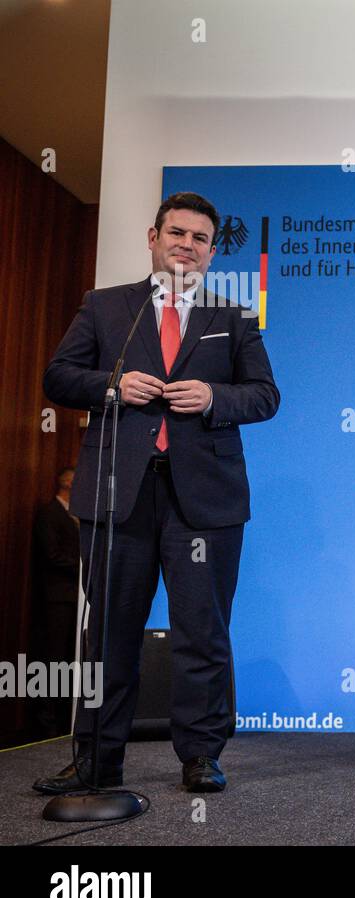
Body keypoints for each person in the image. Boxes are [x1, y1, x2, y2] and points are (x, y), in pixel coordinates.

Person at [35, 191, 279, 795]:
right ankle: (95, 759)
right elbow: (58, 377)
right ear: (153, 237)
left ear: (213, 252)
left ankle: (200, 756)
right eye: (176, 233)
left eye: (199, 238)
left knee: (202, 629)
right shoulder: (106, 306)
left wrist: (216, 399)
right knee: (110, 632)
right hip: (119, 493)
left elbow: (266, 395)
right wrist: (113, 385)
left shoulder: (235, 317)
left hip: (206, 500)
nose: (186, 245)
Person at [32, 466, 80, 735]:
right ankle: (46, 717)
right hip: (57, 598)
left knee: (71, 657)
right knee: (53, 657)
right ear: (68, 484)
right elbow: (52, 555)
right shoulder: (49, 513)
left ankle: (65, 716)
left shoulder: (77, 516)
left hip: (77, 597)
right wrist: (83, 566)